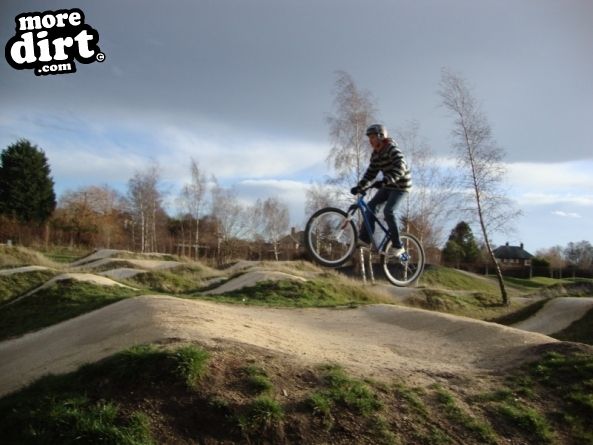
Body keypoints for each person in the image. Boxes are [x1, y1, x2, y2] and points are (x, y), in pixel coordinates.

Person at [350, 124, 412, 256]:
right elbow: (370, 173)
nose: (370, 141)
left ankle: (398, 246)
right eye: (369, 138)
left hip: (401, 187)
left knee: (389, 211)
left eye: (373, 137)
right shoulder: (375, 155)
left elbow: (401, 167)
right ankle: (365, 240)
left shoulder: (392, 149)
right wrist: (359, 187)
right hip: (388, 186)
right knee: (370, 207)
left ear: (381, 136)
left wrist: (385, 180)